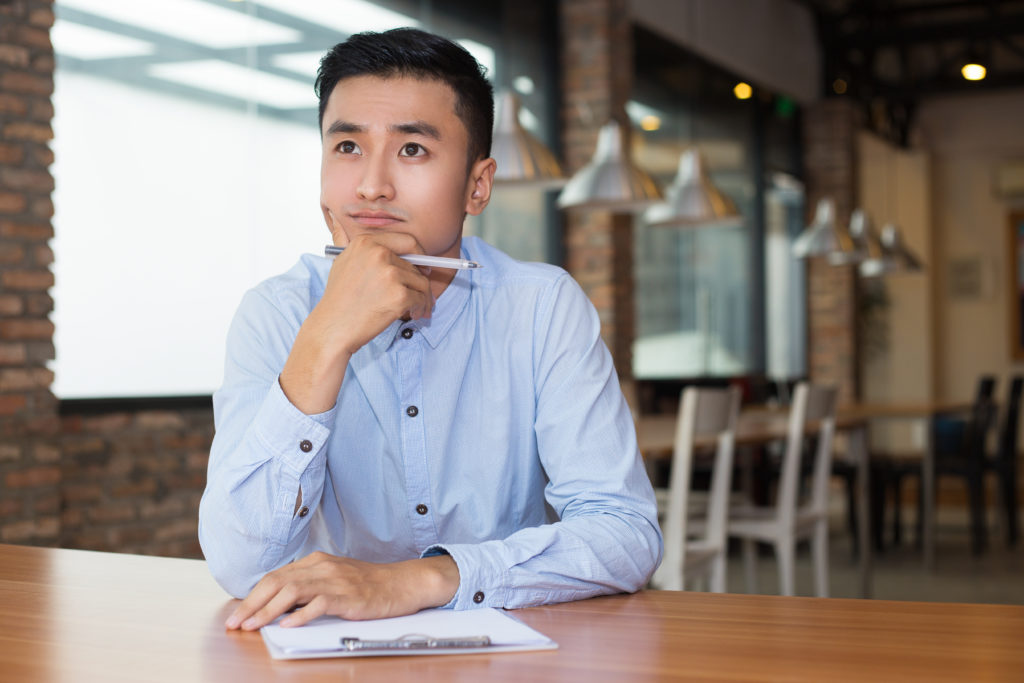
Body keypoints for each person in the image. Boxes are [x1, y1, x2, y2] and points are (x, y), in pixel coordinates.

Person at [199, 27, 661, 632]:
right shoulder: (276, 312)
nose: (371, 185)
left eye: (412, 150)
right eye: (347, 148)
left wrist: (417, 581)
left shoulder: (541, 306)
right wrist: (327, 338)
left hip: (513, 652)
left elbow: (625, 534)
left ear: (478, 184)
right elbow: (241, 565)